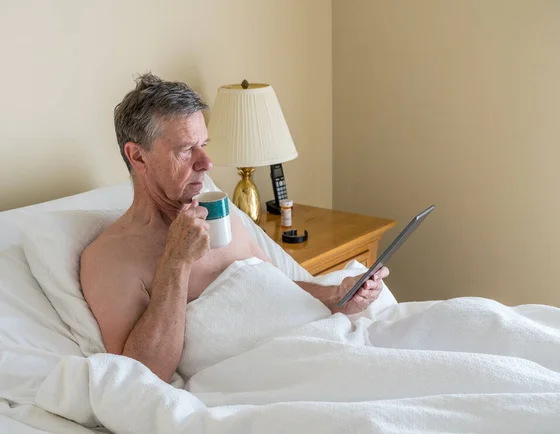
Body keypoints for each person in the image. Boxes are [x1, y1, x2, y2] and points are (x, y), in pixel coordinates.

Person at [80, 73, 390, 383]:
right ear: (137, 156)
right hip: (273, 376)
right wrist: (175, 262)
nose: (207, 163)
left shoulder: (222, 215)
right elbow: (141, 376)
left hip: (325, 344)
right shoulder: (110, 258)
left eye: (204, 145)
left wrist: (337, 295)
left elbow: (280, 289)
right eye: (186, 150)